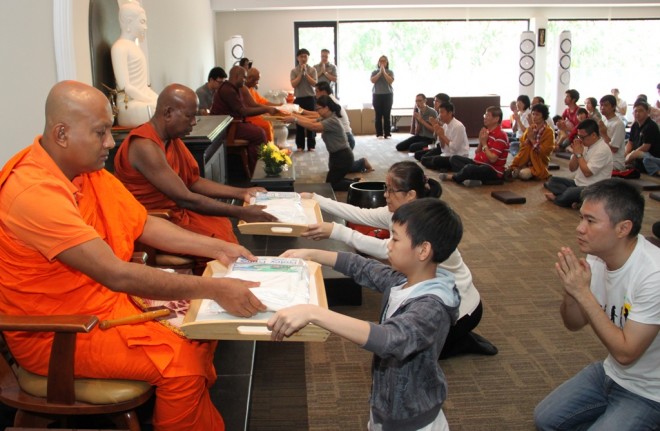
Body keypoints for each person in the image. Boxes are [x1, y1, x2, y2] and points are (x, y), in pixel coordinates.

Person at [0, 80, 267, 431]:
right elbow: (117, 274)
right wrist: (214, 288)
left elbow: (143, 225)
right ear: (62, 134)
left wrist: (218, 248)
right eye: (101, 133)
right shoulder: (33, 193)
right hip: (60, 334)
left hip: (105, 305)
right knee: (181, 359)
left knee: (203, 329)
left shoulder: (87, 174)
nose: (112, 143)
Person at [269, 198, 464, 430]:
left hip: (411, 420)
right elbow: (363, 267)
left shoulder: (432, 307)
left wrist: (315, 313)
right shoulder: (404, 281)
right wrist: (311, 254)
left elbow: (391, 339)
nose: (388, 245)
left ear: (423, 250)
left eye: (395, 238)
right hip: (387, 407)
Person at [301, 161, 497, 359]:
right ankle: (455, 337)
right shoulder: (398, 214)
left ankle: (462, 339)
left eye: (391, 190)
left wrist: (334, 230)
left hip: (463, 309)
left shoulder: (425, 228)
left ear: (410, 195)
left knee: (417, 353)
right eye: (386, 188)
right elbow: (359, 213)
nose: (385, 195)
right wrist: (316, 199)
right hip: (441, 299)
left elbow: (383, 249)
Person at [534, 179, 660, 430]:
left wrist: (583, 293)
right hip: (610, 373)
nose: (580, 228)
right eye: (581, 218)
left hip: (650, 392)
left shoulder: (653, 275)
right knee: (545, 420)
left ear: (623, 228)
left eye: (590, 221)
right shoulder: (597, 257)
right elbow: (573, 323)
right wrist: (571, 292)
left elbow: (626, 353)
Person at [114, 83, 277, 248]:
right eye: (189, 116)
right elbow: (185, 198)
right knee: (219, 241)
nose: (193, 122)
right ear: (168, 113)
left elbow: (194, 181)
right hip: (156, 222)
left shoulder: (171, 138)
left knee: (220, 226)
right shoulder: (144, 146)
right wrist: (241, 212)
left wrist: (242, 193)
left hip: (177, 213)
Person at [210, 66, 279, 173]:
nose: (245, 80)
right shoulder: (228, 90)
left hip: (234, 124)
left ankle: (261, 166)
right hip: (226, 129)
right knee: (259, 134)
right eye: (244, 78)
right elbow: (243, 111)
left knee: (260, 129)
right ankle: (256, 171)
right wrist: (267, 109)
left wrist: (266, 109)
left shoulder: (233, 88)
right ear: (237, 76)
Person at [283, 95, 357, 191]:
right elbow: (310, 120)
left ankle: (357, 185)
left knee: (332, 185)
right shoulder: (327, 118)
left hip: (343, 157)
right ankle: (356, 182)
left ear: (326, 108)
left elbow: (313, 126)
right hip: (336, 156)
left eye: (318, 109)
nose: (317, 111)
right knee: (334, 181)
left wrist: (295, 119)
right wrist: (293, 115)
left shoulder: (332, 120)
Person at [302, 81, 373, 173]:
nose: (315, 94)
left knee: (343, 169)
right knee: (336, 168)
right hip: (341, 139)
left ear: (323, 91)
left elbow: (314, 121)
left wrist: (299, 114)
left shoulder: (329, 102)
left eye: (317, 91)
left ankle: (362, 163)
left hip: (345, 139)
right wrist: (300, 113)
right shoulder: (327, 101)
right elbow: (316, 117)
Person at [544, 119, 613, 208]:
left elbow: (587, 173)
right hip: (577, 183)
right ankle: (577, 201)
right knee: (552, 181)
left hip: (594, 188)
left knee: (570, 193)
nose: (580, 139)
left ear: (594, 135)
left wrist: (579, 154)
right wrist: (576, 154)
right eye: (578, 136)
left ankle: (558, 198)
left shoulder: (603, 150)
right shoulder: (584, 145)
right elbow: (572, 168)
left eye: (582, 137)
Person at [111, 2, 158, 128]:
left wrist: (159, 99)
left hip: (141, 98)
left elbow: (143, 86)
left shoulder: (135, 48)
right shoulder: (119, 47)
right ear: (128, 21)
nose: (145, 27)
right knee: (154, 109)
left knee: (167, 106)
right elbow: (125, 86)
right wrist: (149, 100)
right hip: (128, 104)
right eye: (142, 22)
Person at [440, 106, 509, 187]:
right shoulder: (487, 132)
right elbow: (477, 153)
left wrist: (484, 143)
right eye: (485, 115)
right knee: (454, 159)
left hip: (493, 169)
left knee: (470, 168)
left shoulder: (501, 135)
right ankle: (474, 179)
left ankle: (454, 177)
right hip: (479, 163)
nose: (485, 118)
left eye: (488, 116)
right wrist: (481, 141)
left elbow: (493, 159)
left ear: (496, 119)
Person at [505, 103, 555, 181]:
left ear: (544, 116)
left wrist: (532, 140)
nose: (534, 117)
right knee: (514, 146)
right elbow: (523, 144)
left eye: (537, 115)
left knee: (523, 174)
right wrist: (526, 141)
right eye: (533, 114)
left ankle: (521, 171)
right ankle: (517, 169)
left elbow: (545, 151)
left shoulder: (549, 132)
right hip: (525, 160)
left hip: (538, 163)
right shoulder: (531, 128)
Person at [420, 101, 470, 171]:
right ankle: (444, 167)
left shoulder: (458, 126)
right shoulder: (445, 125)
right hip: (447, 154)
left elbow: (455, 148)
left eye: (442, 112)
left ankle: (448, 167)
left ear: (450, 113)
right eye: (439, 112)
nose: (439, 115)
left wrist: (443, 136)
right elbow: (443, 148)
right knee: (424, 159)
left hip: (458, 157)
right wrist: (440, 135)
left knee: (436, 160)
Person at [241, 67, 282, 143]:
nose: (257, 83)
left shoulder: (251, 89)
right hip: (247, 118)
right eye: (256, 80)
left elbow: (262, 101)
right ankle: (267, 149)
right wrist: (269, 109)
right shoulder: (243, 89)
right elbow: (254, 105)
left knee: (268, 120)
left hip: (255, 114)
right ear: (249, 78)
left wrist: (278, 105)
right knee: (265, 124)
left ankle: (271, 147)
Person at [290, 48, 318, 151]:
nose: (303, 58)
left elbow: (315, 83)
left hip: (310, 98)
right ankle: (300, 145)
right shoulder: (294, 71)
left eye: (305, 56)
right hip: (299, 100)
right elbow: (293, 84)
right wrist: (301, 74)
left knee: (311, 122)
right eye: (301, 56)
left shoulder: (313, 70)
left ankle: (311, 145)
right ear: (297, 58)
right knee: (299, 123)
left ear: (308, 57)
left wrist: (306, 73)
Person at [624, 99, 660, 177]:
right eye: (635, 111)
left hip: (652, 156)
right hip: (640, 156)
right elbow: (630, 142)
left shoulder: (651, 126)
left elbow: (646, 147)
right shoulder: (635, 125)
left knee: (645, 159)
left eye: (641, 111)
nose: (637, 113)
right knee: (625, 151)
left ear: (647, 112)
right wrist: (626, 153)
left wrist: (631, 155)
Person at [597, 94, 626, 173]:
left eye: (606, 105)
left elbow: (614, 149)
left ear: (613, 107)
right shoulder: (605, 121)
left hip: (615, 162)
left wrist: (604, 134)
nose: (602, 107)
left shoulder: (618, 124)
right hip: (604, 158)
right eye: (601, 105)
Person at [370, 55, 395, 139]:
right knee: (378, 115)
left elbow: (390, 81)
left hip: (388, 95)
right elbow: (373, 80)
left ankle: (387, 133)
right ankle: (379, 133)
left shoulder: (390, 72)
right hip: (377, 95)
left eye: (384, 61)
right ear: (378, 62)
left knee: (387, 114)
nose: (382, 62)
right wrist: (380, 72)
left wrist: (384, 72)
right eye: (380, 61)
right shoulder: (374, 72)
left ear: (387, 62)